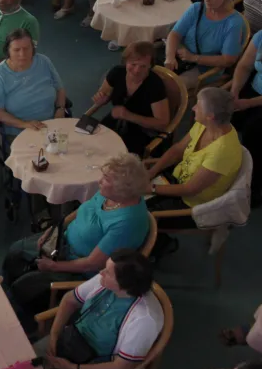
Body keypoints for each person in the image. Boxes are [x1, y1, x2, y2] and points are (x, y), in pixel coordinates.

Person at [3, 153, 151, 328]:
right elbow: (83, 209)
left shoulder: (127, 222)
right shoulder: (111, 195)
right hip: (61, 242)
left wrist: (54, 266)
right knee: (15, 251)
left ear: (122, 188)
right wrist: (54, 229)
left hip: (78, 267)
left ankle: (18, 323)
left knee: (23, 288)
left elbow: (91, 264)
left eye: (105, 178)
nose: (99, 180)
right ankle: (5, 293)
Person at [32, 250, 163, 369]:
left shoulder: (144, 320)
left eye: (108, 272)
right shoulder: (105, 282)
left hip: (94, 366)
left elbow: (122, 367)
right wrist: (54, 335)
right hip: (71, 340)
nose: (101, 272)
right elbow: (69, 300)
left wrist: (73, 368)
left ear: (124, 284)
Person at [146, 87, 243, 229]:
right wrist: (152, 172)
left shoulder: (222, 151)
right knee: (131, 199)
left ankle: (160, 243)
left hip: (192, 204)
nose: (193, 108)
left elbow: (190, 189)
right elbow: (178, 150)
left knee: (138, 216)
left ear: (210, 116)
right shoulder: (204, 124)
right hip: (176, 179)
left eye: (198, 105)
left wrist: (152, 188)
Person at [89, 41, 170, 157]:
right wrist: (101, 100)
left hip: (141, 131)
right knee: (91, 143)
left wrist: (129, 115)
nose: (137, 70)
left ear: (150, 66)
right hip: (116, 121)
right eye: (133, 64)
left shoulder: (155, 85)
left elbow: (162, 124)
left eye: (143, 66)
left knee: (116, 157)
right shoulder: (116, 72)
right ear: (126, 61)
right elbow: (104, 95)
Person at [162, 0, 245, 88]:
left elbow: (228, 60)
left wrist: (193, 57)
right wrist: (170, 57)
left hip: (203, 68)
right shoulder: (197, 8)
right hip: (181, 56)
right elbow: (175, 34)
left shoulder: (234, 23)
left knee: (170, 86)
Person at [0, 28, 66, 137]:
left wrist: (60, 109)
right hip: (21, 131)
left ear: (32, 48)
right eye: (16, 50)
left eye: (26, 48)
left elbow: (59, 88)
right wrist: (24, 124)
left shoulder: (44, 62)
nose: (22, 54)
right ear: (8, 51)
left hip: (52, 125)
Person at [229, 27, 262, 207]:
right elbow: (244, 66)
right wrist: (235, 92)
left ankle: (253, 186)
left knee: (254, 133)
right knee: (221, 115)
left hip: (258, 101)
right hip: (253, 89)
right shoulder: (260, 36)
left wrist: (247, 103)